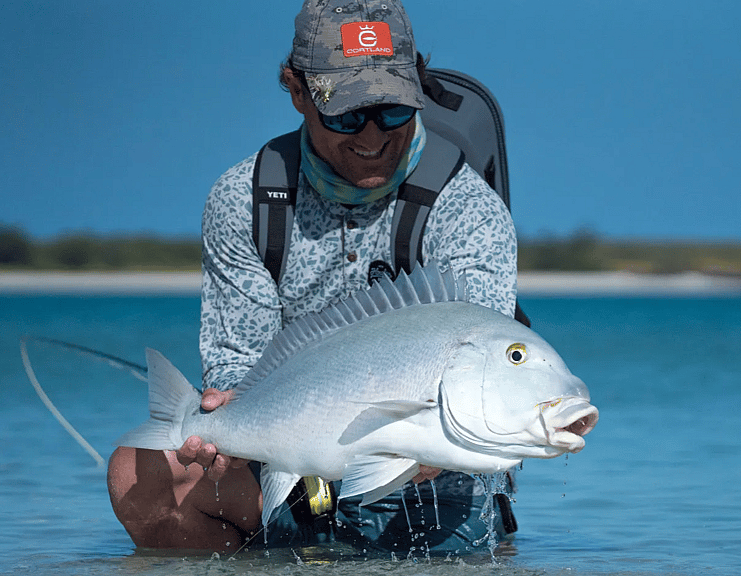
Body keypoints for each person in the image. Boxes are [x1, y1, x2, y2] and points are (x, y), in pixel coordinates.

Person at [106, 0, 518, 555]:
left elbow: (484, 376)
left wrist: (420, 445)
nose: (372, 134)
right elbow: (236, 364)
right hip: (284, 465)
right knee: (137, 475)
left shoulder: (469, 209)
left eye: (393, 110)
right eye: (346, 113)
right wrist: (227, 425)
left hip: (430, 480)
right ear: (297, 91)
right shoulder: (243, 200)